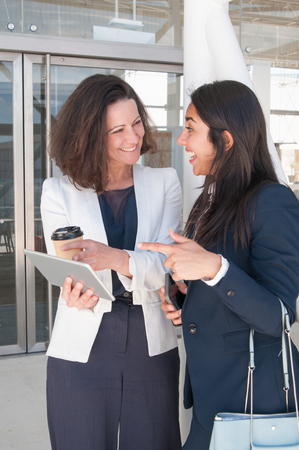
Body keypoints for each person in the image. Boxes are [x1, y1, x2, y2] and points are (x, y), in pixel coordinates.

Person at [137, 79, 299, 450]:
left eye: (191, 129)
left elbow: (279, 316)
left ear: (225, 140)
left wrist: (215, 269)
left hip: (256, 398)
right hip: (213, 393)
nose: (180, 140)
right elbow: (211, 286)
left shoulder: (272, 202)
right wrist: (182, 298)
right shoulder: (208, 202)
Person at [40, 74, 182, 450]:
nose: (133, 138)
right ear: (89, 136)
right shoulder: (57, 191)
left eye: (136, 123)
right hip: (82, 337)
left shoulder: (165, 181)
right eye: (117, 130)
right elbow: (68, 267)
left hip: (149, 338)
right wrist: (71, 288)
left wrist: (116, 258)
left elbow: (168, 264)